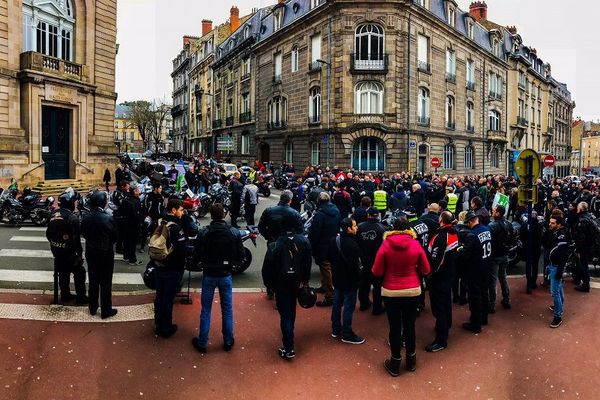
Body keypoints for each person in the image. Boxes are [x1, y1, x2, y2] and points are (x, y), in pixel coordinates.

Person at [372, 216, 431, 375]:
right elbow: (426, 270)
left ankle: (395, 363)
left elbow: (376, 271)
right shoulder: (416, 244)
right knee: (410, 325)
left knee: (395, 326)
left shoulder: (385, 245)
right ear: (408, 228)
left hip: (391, 291)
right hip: (412, 291)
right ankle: (411, 361)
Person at [192, 204, 244, 353]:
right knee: (227, 309)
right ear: (223, 215)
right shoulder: (233, 232)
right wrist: (232, 265)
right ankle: (228, 340)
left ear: (212, 215)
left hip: (209, 274)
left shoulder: (204, 232)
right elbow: (241, 256)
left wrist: (200, 263)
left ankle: (202, 342)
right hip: (225, 275)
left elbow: (196, 254)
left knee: (206, 309)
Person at [261, 229, 312, 359]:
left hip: (280, 284)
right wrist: (305, 281)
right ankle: (289, 335)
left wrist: (271, 286)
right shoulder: (303, 242)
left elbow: (267, 269)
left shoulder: (275, 245)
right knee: (291, 311)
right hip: (295, 282)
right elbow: (307, 263)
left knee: (285, 314)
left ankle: (288, 347)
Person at [153, 199, 188, 338]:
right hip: (172, 267)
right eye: (180, 210)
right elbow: (181, 249)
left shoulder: (159, 221)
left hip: (158, 264)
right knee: (168, 298)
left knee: (160, 296)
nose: (182, 212)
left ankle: (158, 324)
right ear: (173, 210)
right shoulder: (175, 227)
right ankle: (166, 328)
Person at [46, 189, 87, 304]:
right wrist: (79, 254)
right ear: (70, 204)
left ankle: (65, 294)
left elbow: (48, 234)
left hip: (57, 251)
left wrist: (55, 244)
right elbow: (76, 239)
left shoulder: (52, 214)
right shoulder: (72, 217)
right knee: (79, 273)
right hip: (69, 252)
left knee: (63, 273)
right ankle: (81, 297)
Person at [81, 191, 118, 319]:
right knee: (106, 281)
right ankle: (106, 310)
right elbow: (115, 236)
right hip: (105, 252)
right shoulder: (108, 217)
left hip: (91, 251)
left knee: (93, 279)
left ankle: (92, 307)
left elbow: (84, 233)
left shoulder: (86, 217)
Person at [425, 211, 458, 352]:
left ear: (441, 220)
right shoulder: (453, 233)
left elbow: (436, 260)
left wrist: (430, 274)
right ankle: (445, 326)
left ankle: (441, 340)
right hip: (449, 275)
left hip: (439, 278)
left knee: (439, 309)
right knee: (445, 305)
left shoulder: (441, 237)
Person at [329, 217, 365, 344]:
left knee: (337, 304)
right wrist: (358, 280)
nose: (356, 228)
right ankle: (347, 333)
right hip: (349, 281)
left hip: (337, 278)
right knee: (349, 307)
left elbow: (330, 258)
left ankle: (335, 329)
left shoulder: (334, 240)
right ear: (348, 228)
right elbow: (354, 267)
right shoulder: (353, 246)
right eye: (354, 226)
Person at [308, 192, 342, 307]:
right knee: (328, 267)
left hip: (322, 244)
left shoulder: (320, 214)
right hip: (333, 242)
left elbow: (315, 231)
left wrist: (312, 244)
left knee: (325, 268)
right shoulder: (336, 211)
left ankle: (330, 295)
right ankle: (325, 287)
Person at [461, 211, 492, 333]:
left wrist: (460, 251)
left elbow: (466, 254)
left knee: (475, 297)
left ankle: (475, 323)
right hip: (486, 266)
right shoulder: (487, 229)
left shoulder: (472, 235)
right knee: (484, 293)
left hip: (475, 269)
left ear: (470, 222)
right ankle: (484, 318)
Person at [356, 207, 387, 314]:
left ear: (368, 215)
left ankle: (364, 304)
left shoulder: (359, 227)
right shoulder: (383, 228)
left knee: (364, 283)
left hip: (363, 260)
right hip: (377, 261)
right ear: (377, 215)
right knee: (377, 285)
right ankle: (377, 307)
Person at [487, 204, 513, 311]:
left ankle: (492, 304)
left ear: (498, 213)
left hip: (495, 256)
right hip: (505, 254)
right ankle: (506, 299)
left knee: (492, 281)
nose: (492, 211)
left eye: (494, 210)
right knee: (503, 278)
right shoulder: (508, 224)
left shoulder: (492, 226)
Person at [546, 215, 570, 328]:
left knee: (554, 291)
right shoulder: (554, 233)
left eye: (553, 223)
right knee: (558, 288)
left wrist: (559, 270)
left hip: (556, 267)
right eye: (550, 222)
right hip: (553, 266)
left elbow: (563, 256)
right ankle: (559, 307)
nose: (550, 224)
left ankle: (558, 316)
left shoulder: (562, 236)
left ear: (559, 224)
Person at [573, 202, 596, 292]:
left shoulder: (582, 220)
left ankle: (585, 285)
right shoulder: (590, 216)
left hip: (584, 246)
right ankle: (584, 283)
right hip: (590, 244)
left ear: (581, 209)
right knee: (584, 265)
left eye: (578, 207)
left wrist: (578, 249)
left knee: (584, 265)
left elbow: (581, 237)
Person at [120, 183, 144, 266]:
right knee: (132, 243)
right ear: (135, 191)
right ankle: (132, 260)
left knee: (126, 241)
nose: (140, 191)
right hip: (133, 225)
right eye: (138, 189)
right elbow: (137, 215)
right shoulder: (136, 202)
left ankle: (126, 256)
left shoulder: (126, 199)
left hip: (125, 224)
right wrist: (140, 222)